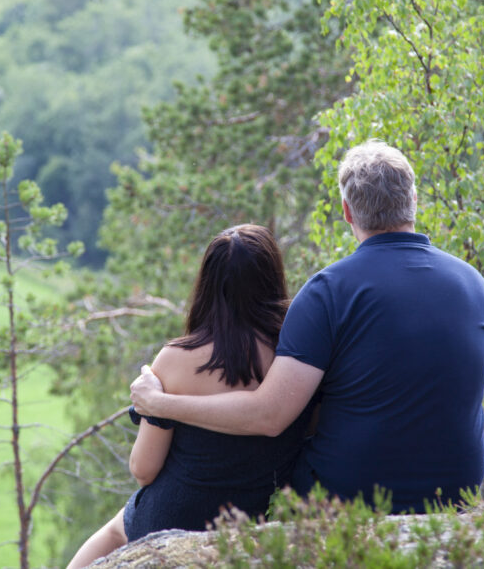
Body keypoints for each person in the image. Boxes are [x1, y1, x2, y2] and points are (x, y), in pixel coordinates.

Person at [131, 140, 484, 513]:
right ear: (414, 200)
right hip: (456, 495)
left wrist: (161, 404)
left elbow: (268, 416)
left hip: (349, 500)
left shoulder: (329, 292)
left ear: (347, 212)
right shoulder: (473, 285)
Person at [66, 224, 311, 569]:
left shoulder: (177, 359)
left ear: (207, 285)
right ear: (272, 277)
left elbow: (143, 469)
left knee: (116, 531)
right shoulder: (298, 354)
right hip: (258, 515)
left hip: (175, 517)